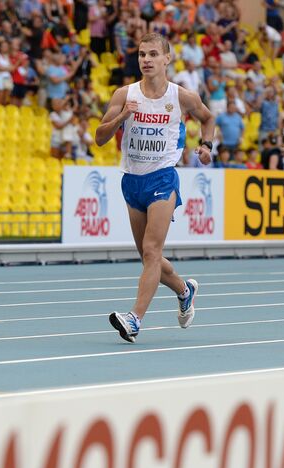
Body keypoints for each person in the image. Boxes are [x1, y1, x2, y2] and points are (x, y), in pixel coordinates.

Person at [95, 32, 214, 343]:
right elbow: (99, 136)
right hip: (131, 180)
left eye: (151, 54)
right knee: (149, 258)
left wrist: (206, 146)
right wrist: (123, 115)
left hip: (162, 178)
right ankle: (184, 290)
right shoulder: (125, 94)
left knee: (151, 250)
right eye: (141, 54)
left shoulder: (181, 96)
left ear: (167, 59)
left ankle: (134, 319)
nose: (145, 60)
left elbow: (207, 117)